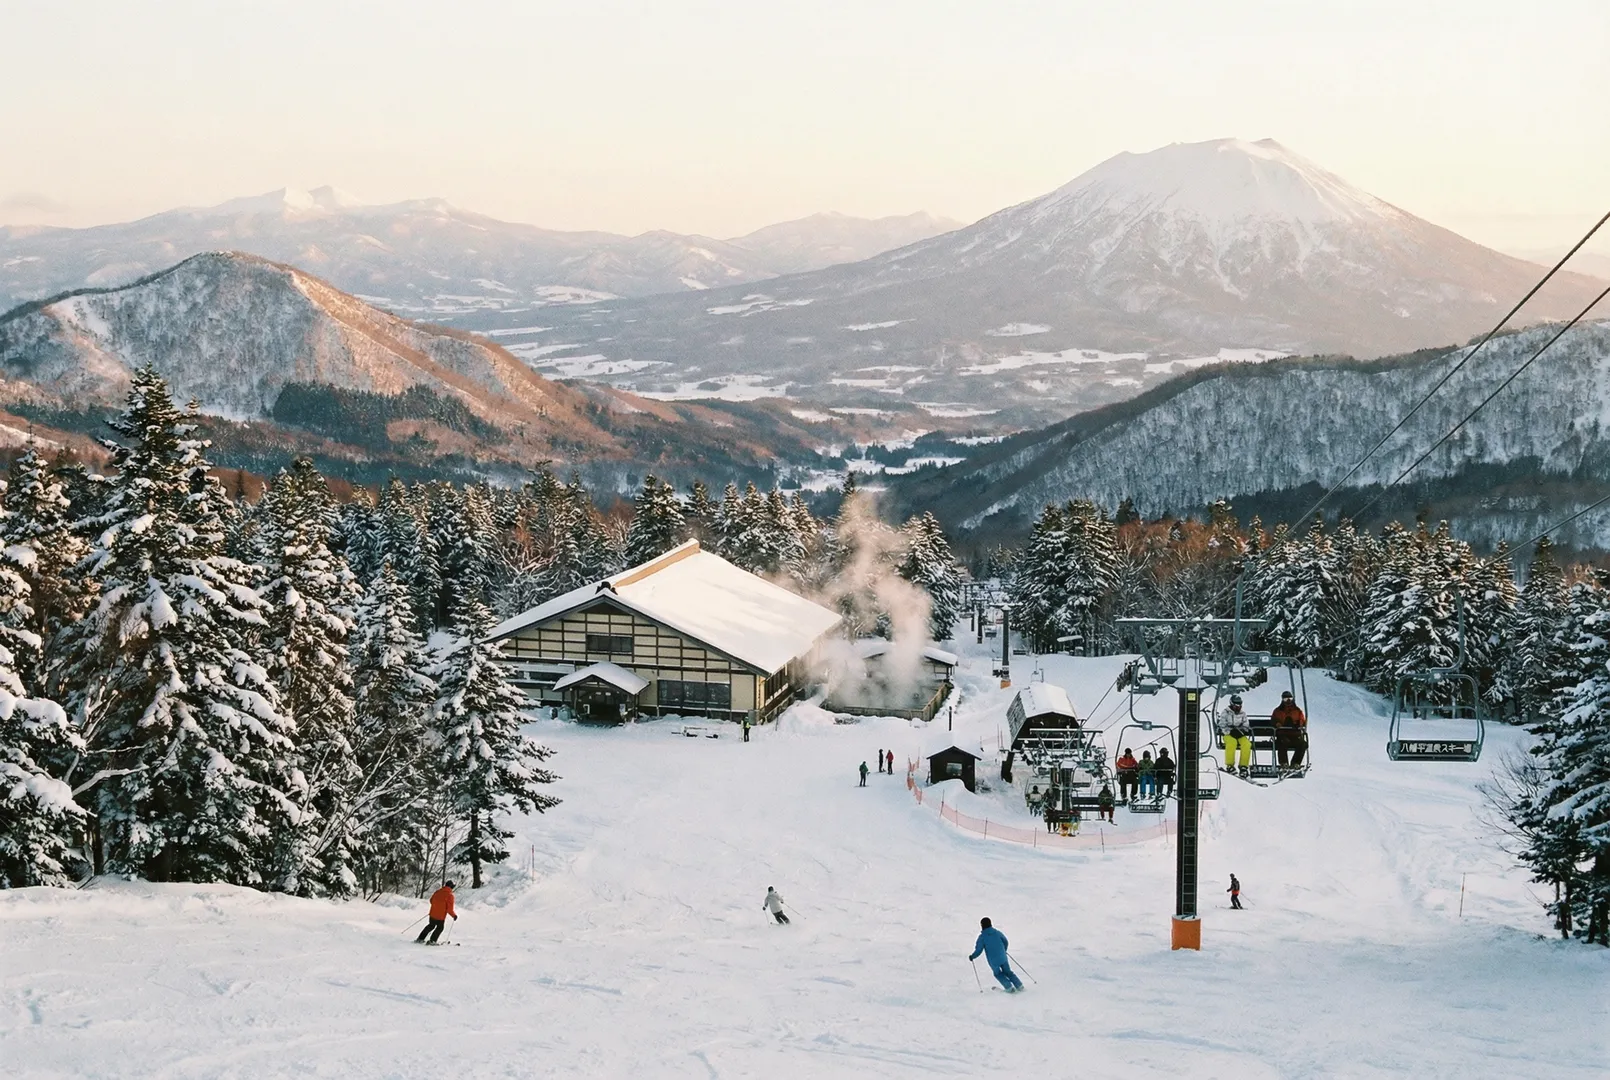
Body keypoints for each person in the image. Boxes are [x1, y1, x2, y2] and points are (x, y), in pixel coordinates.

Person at [968, 917, 1024, 993]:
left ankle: (1009, 987)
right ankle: (1019, 985)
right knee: (1008, 972)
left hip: (993, 960)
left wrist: (972, 956)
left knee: (998, 974)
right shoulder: (997, 932)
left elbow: (979, 950)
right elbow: (1005, 941)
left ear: (982, 925)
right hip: (1003, 957)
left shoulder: (982, 937)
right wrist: (1004, 950)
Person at [1273, 690, 1308, 770]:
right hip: (1282, 735)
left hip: (1294, 735)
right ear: (1282, 700)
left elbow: (1302, 720)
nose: (1288, 701)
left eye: (1290, 698)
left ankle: (1295, 763)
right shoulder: (1278, 711)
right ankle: (1284, 763)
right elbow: (1273, 720)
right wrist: (1277, 724)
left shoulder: (1297, 711)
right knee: (1282, 742)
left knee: (1303, 744)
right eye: (1285, 699)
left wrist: (1300, 724)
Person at [415, 880, 457, 944]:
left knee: (431, 926)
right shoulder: (450, 896)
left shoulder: (438, 892)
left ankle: (420, 938)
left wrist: (436, 906)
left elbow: (431, 900)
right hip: (440, 916)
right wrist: (454, 915)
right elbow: (449, 909)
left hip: (432, 914)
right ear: (451, 887)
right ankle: (432, 941)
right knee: (440, 928)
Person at [1221, 694, 1253, 777]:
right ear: (1232, 704)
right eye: (1236, 705)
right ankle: (1230, 765)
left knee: (1247, 744)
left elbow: (1246, 724)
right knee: (1232, 743)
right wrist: (1230, 731)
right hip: (1228, 734)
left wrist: (1242, 730)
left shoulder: (1242, 713)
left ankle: (1243, 766)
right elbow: (1222, 725)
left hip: (1239, 734)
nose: (1238, 707)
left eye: (1239, 705)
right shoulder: (1226, 712)